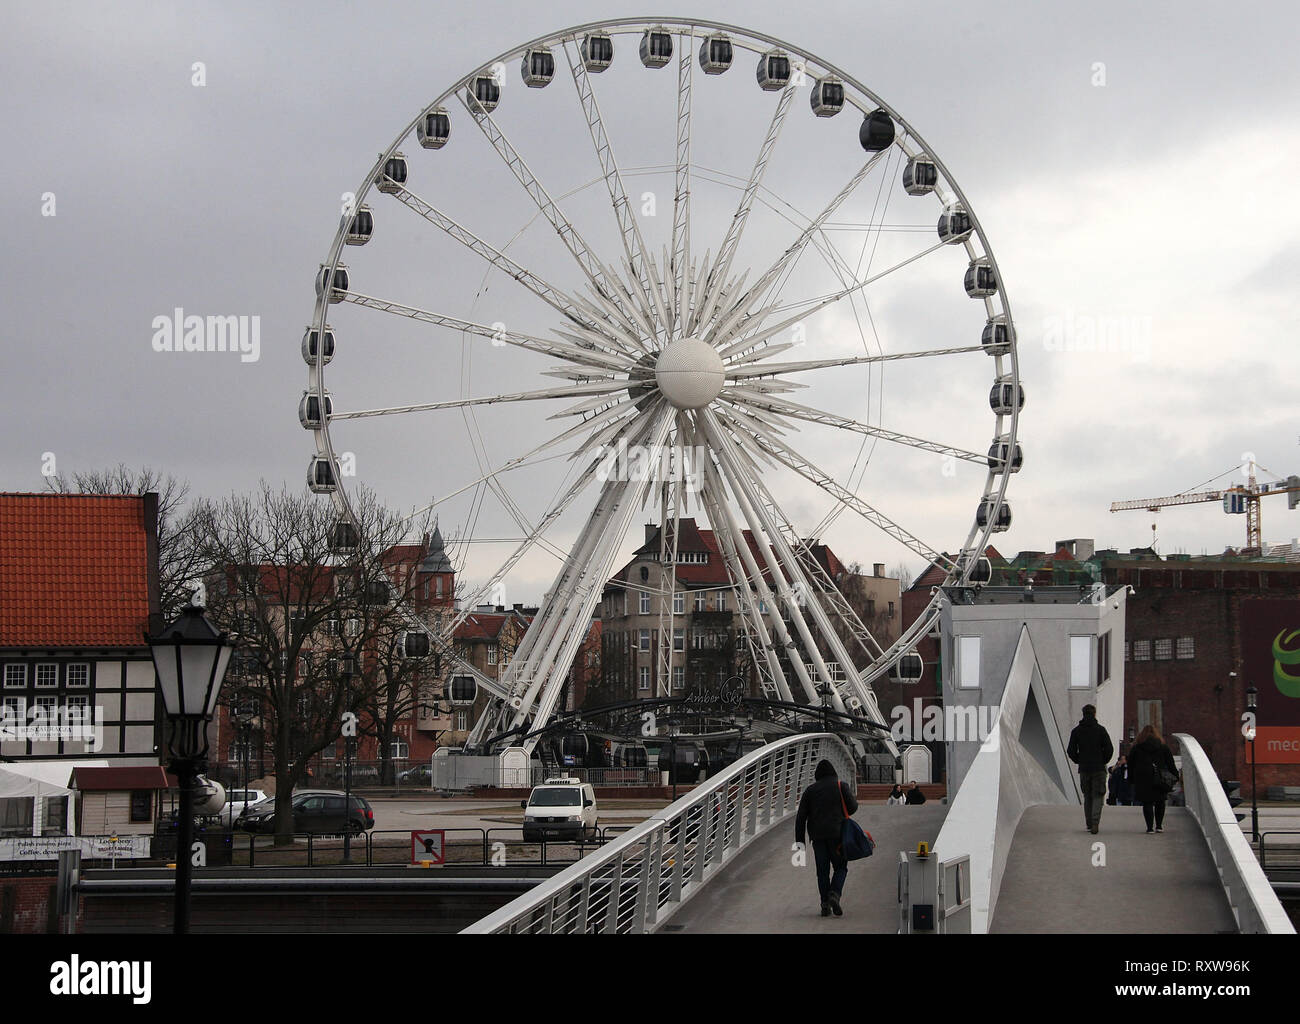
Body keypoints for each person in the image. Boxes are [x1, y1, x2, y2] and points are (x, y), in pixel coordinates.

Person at [794, 759, 858, 917]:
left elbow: (800, 818)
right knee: (840, 867)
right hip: (838, 836)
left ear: (817, 775)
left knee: (822, 872)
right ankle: (834, 894)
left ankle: (824, 904)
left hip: (818, 838)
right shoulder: (840, 786)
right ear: (833, 772)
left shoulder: (810, 790)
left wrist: (800, 844)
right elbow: (853, 807)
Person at [1067, 704, 1114, 834]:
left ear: (1083, 714)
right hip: (1098, 768)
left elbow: (1071, 750)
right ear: (1094, 714)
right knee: (1098, 795)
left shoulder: (1076, 731)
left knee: (1087, 796)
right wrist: (1103, 760)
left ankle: (1088, 823)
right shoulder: (1101, 730)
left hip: (1084, 768)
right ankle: (1095, 822)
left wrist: (1079, 760)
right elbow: (1109, 749)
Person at [1127, 725, 1178, 833]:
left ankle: (1149, 827)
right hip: (1160, 777)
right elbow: (1170, 763)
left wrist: (1131, 779)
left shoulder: (1137, 747)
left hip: (1143, 778)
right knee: (1160, 801)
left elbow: (1131, 764)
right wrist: (1175, 776)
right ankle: (1159, 826)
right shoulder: (1163, 746)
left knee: (1147, 802)